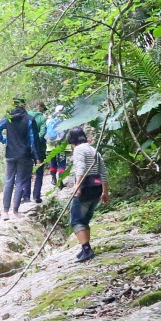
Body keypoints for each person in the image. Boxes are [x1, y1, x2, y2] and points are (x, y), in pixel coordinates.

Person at [64, 126, 109, 262]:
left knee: (77, 220)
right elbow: (104, 172)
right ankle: (85, 248)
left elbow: (81, 167)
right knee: (85, 220)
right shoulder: (93, 149)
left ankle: (86, 249)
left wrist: (77, 185)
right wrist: (105, 191)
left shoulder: (78, 150)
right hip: (97, 188)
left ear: (72, 140)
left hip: (85, 188)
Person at [0, 98, 38, 219]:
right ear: (24, 105)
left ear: (14, 104)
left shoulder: (8, 118)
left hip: (10, 153)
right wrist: (36, 157)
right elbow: (33, 141)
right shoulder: (29, 119)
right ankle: (15, 211)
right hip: (24, 154)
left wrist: (5, 141)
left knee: (8, 181)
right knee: (20, 182)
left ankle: (5, 211)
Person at [28, 101, 50, 203]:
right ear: (39, 107)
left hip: (26, 148)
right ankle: (36, 195)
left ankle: (25, 196)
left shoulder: (26, 115)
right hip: (39, 148)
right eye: (42, 108)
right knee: (39, 172)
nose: (43, 110)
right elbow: (42, 132)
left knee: (27, 172)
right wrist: (37, 141)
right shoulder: (42, 117)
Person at [44, 105, 68, 189]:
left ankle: (53, 179)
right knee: (61, 163)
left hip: (50, 145)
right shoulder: (64, 118)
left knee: (53, 162)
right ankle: (60, 182)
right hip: (61, 145)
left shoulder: (49, 119)